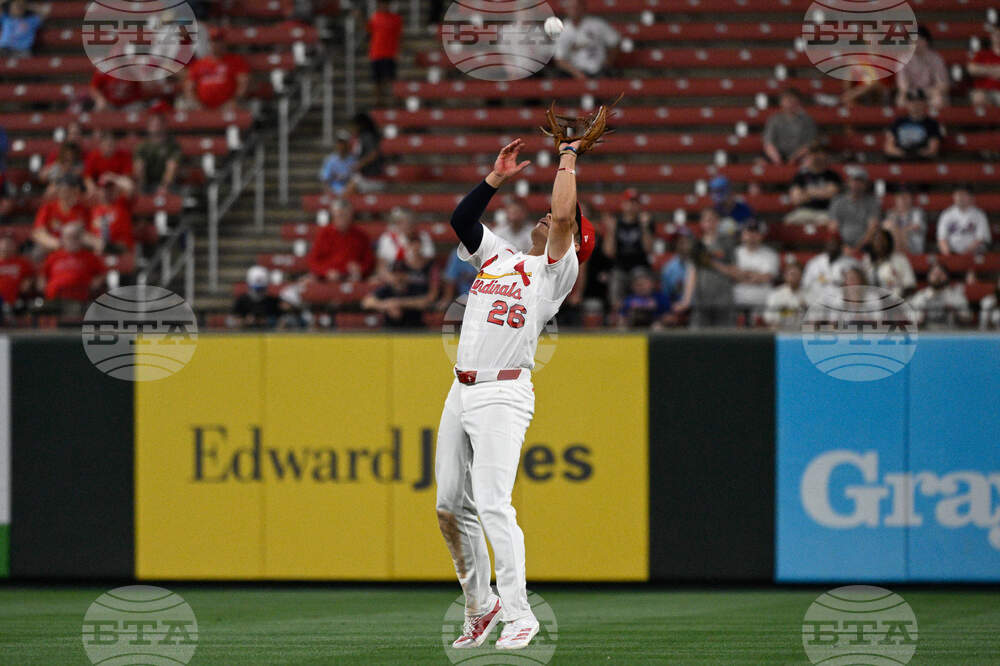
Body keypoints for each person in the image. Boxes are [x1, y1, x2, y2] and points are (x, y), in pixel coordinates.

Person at [435, 138, 595, 650]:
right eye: (547, 215)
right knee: (446, 505)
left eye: (558, 219)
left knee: (493, 504)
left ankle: (521, 614)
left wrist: (568, 157)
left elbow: (567, 217)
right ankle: (482, 607)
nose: (548, 217)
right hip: (460, 389)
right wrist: (495, 179)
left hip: (503, 393)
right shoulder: (501, 257)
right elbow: (462, 222)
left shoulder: (555, 271)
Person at [671, 209, 736, 327]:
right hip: (701, 302)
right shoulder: (697, 244)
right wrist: (686, 300)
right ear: (701, 223)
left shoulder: (727, 242)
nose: (709, 224)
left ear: (718, 222)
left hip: (723, 301)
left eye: (712, 220)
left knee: (724, 340)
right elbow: (692, 273)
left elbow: (735, 272)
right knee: (700, 340)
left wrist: (710, 263)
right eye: (706, 220)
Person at [362, 236, 437, 327]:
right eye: (395, 273)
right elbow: (366, 302)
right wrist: (387, 305)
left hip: (415, 330)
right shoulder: (387, 289)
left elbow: (424, 302)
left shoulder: (415, 287)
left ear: (406, 275)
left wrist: (399, 303)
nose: (398, 277)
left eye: (401, 273)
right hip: (390, 331)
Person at [602, 188, 652, 307]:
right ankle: (618, 315)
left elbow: (648, 249)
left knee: (641, 278)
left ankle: (641, 312)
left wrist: (645, 228)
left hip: (640, 266)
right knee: (615, 281)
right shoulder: (615, 223)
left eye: (635, 202)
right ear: (623, 204)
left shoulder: (644, 222)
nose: (632, 206)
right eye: (629, 202)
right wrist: (611, 231)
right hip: (620, 267)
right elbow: (609, 252)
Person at [305, 200, 374, 282]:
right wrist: (326, 272)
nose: (342, 218)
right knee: (308, 281)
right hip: (326, 278)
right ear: (333, 215)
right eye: (339, 215)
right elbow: (313, 261)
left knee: (373, 282)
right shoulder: (324, 234)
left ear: (351, 215)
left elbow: (369, 261)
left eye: (345, 214)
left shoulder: (361, 235)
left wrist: (360, 269)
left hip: (354, 278)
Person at [553, 0, 620, 79]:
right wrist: (578, 74)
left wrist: (608, 62)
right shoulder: (561, 29)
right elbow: (559, 59)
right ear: (566, 9)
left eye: (577, 7)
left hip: (599, 70)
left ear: (583, 8)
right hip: (574, 73)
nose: (574, 10)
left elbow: (615, 42)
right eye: (571, 7)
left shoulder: (597, 24)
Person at [39, 224, 105, 302]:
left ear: (81, 239)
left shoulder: (91, 257)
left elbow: (102, 274)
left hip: (81, 299)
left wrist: (96, 282)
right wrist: (43, 287)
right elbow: (42, 276)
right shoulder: (53, 257)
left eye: (76, 237)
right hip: (55, 299)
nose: (72, 240)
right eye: (69, 237)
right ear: (63, 239)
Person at [183, 33, 250, 109]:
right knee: (184, 107)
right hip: (202, 106)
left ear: (224, 44)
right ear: (208, 44)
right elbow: (189, 87)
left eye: (219, 42)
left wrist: (234, 100)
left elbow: (243, 84)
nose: (215, 45)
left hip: (229, 105)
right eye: (213, 42)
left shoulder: (236, 61)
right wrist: (196, 103)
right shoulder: (199, 64)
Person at [732, 220, 780, 319]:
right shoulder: (735, 253)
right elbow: (732, 276)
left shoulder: (770, 254)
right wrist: (756, 275)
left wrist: (743, 275)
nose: (752, 235)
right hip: (737, 301)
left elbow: (766, 278)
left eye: (756, 232)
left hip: (762, 302)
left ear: (761, 235)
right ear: (742, 234)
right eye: (748, 232)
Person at [896, 25, 949, 110]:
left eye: (917, 40)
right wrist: (914, 93)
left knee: (939, 100)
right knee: (901, 101)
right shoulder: (903, 59)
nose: (914, 44)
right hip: (912, 93)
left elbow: (943, 85)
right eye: (911, 41)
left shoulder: (936, 59)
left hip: (930, 93)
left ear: (926, 41)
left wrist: (928, 92)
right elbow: (903, 87)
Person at [374, 206, 434, 281]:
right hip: (391, 278)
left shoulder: (423, 237)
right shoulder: (387, 238)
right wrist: (391, 279)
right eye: (404, 222)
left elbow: (425, 265)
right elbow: (381, 267)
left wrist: (416, 254)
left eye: (411, 222)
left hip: (417, 277)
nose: (408, 225)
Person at [828, 166, 880, 250]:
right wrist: (843, 247)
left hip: (865, 245)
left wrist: (857, 248)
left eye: (860, 181)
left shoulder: (872, 202)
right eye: (854, 180)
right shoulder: (838, 201)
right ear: (848, 182)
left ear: (865, 184)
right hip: (841, 245)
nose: (856, 184)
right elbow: (833, 228)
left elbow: (872, 228)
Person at [33, 177, 88, 254]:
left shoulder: (82, 210)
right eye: (63, 190)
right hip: (54, 246)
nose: (66, 194)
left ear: (76, 191)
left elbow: (87, 234)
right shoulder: (48, 208)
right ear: (58, 191)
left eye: (70, 190)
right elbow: (39, 233)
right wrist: (58, 244)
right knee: (39, 250)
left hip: (76, 247)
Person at [802, 233, 863, 304]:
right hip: (817, 305)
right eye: (830, 243)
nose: (832, 246)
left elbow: (861, 286)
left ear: (840, 245)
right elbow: (805, 285)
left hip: (842, 306)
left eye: (835, 243)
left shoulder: (852, 263)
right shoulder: (814, 263)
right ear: (825, 244)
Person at [785, 149, 841, 225]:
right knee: (789, 222)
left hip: (825, 211)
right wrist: (822, 192)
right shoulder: (801, 175)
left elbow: (831, 194)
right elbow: (796, 199)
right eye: (812, 155)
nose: (815, 158)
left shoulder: (832, 175)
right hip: (805, 210)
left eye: (818, 155)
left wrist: (807, 192)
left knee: (830, 223)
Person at [909, 262, 972, 329]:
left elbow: (968, 318)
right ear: (928, 276)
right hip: (926, 335)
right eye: (934, 274)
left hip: (951, 334)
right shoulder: (920, 296)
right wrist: (922, 315)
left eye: (940, 274)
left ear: (947, 276)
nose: (937, 277)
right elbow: (913, 320)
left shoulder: (956, 296)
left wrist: (955, 312)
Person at [762, 88, 816, 165]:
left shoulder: (807, 120)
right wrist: (776, 158)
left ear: (798, 101)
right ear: (781, 102)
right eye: (787, 100)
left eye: (792, 99)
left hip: (800, 155)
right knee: (761, 162)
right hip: (778, 154)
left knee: (811, 161)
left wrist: (794, 157)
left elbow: (810, 143)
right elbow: (768, 142)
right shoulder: (774, 119)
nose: (790, 103)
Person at [884, 90, 942, 160]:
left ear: (924, 103)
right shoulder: (898, 122)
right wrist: (905, 154)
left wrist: (917, 154)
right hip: (900, 159)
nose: (915, 105)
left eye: (919, 102)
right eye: (912, 102)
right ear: (907, 104)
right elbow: (889, 147)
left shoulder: (932, 124)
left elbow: (933, 149)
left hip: (922, 161)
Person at [86, 174, 135, 255]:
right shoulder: (93, 210)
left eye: (110, 189)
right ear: (98, 191)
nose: (106, 192)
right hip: (98, 250)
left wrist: (113, 178)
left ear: (116, 190)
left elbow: (130, 187)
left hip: (120, 250)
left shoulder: (122, 203)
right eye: (103, 189)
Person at [366, 0, 402, 107]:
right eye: (381, 3)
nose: (383, 6)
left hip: (389, 53)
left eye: (385, 3)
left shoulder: (396, 19)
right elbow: (369, 32)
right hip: (376, 53)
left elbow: (399, 36)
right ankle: (379, 102)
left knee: (390, 79)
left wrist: (398, 51)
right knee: (377, 80)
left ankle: (394, 101)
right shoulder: (375, 17)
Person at [134, 114, 182, 194]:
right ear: (148, 126)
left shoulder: (173, 146)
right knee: (139, 167)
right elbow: (138, 166)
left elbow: (172, 166)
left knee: (172, 166)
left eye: (158, 124)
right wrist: (140, 186)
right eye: (153, 124)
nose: (155, 127)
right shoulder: (143, 146)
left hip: (167, 184)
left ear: (164, 126)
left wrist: (164, 186)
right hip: (147, 183)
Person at [936, 187, 991, 256]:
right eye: (957, 195)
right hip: (952, 253)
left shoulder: (979, 214)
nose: (960, 198)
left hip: (974, 254)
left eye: (963, 195)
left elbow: (980, 239)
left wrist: (964, 256)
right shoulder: (947, 214)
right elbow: (942, 238)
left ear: (971, 197)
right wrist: (949, 256)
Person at [862, 229, 916, 298]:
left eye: (882, 240)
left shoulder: (900, 259)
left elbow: (910, 286)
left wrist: (897, 302)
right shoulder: (867, 260)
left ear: (889, 242)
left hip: (895, 302)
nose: (879, 243)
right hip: (872, 303)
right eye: (876, 240)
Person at [83, 130, 133, 196]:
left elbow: (127, 178)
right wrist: (94, 189)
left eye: (111, 145)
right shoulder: (93, 156)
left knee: (129, 186)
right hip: (99, 188)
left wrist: (112, 177)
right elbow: (87, 177)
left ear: (115, 145)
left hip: (117, 187)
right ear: (101, 145)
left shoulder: (123, 156)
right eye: (106, 145)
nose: (109, 148)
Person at [763, 261, 806, 329]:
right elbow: (769, 318)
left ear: (801, 276)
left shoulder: (808, 295)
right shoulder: (775, 294)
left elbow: (814, 319)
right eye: (792, 274)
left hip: (801, 333)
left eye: (797, 274)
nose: (794, 277)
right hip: (780, 332)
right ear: (785, 275)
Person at [882, 189, 926, 254]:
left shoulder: (917, 212)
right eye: (900, 197)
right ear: (896, 199)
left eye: (906, 197)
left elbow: (916, 226)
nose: (903, 200)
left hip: (913, 247)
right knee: (888, 226)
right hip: (894, 246)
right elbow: (885, 227)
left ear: (911, 198)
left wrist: (900, 231)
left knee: (897, 230)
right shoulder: (891, 213)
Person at [968, 24, 1000, 108]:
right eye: (996, 35)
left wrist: (984, 70)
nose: (998, 37)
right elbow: (972, 69)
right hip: (984, 91)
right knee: (978, 97)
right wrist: (994, 70)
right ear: (991, 37)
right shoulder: (982, 54)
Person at [0, 234, 33, 311]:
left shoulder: (22, 263)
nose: (6, 248)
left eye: (9, 246)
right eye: (4, 246)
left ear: (14, 247)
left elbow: (30, 276)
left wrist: (28, 281)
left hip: (16, 298)